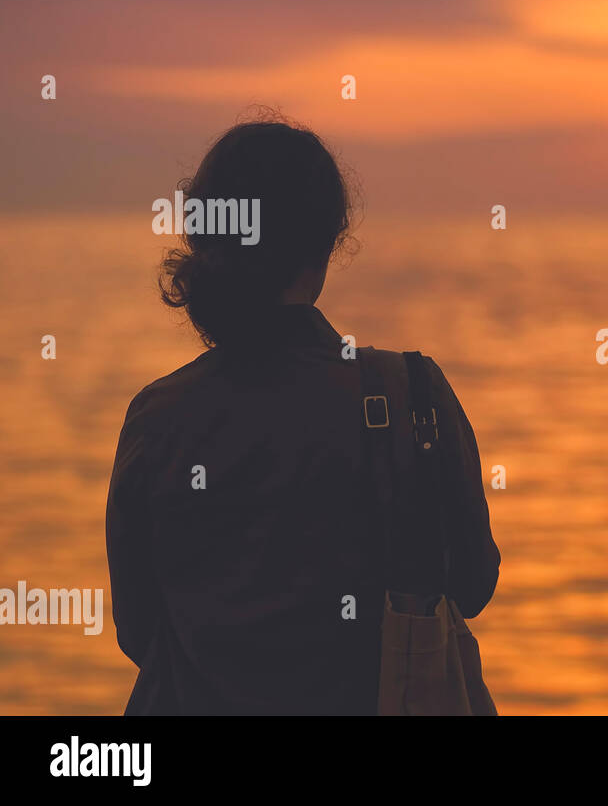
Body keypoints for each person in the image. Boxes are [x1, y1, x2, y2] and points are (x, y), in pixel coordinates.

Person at [105, 118, 500, 714]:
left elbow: (139, 632)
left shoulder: (158, 417)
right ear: (329, 242)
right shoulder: (411, 394)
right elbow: (472, 585)